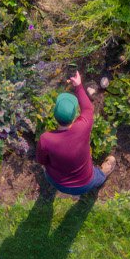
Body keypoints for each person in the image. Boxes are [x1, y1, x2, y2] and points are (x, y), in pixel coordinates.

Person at [35, 70, 111, 198]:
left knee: (47, 170)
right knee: (98, 176)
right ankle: (104, 173)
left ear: (55, 115)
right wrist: (78, 85)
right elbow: (88, 108)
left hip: (57, 182)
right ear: (75, 115)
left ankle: (54, 190)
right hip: (85, 184)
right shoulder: (83, 127)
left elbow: (41, 160)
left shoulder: (46, 139)